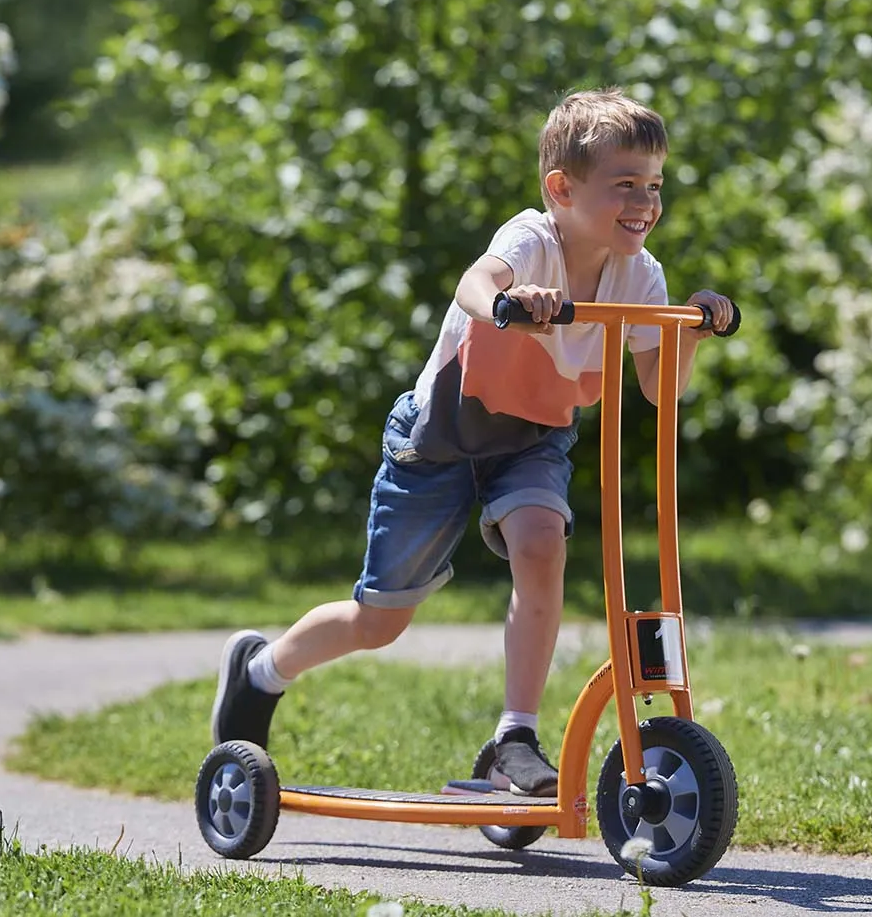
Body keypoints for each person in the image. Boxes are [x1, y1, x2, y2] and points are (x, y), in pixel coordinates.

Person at [210, 87, 735, 798]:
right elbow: (476, 280)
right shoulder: (531, 240)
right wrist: (506, 305)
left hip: (532, 439)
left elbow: (659, 387)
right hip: (438, 438)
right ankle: (261, 670)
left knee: (543, 545)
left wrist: (691, 327)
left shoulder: (640, 273)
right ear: (561, 187)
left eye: (652, 185)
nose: (643, 200)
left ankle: (512, 735)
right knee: (378, 620)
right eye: (624, 185)